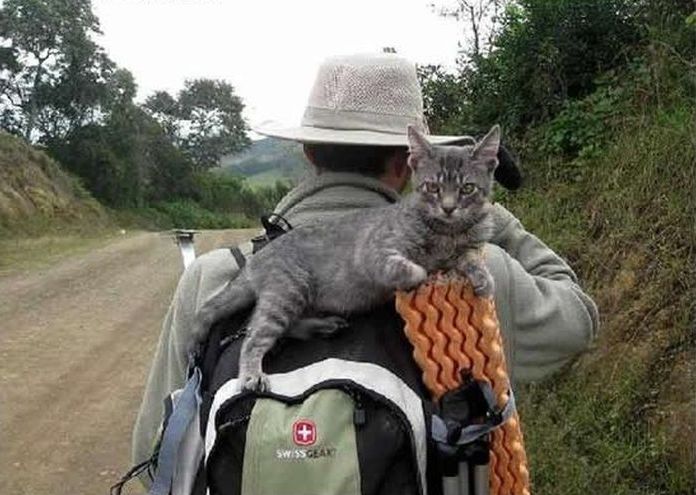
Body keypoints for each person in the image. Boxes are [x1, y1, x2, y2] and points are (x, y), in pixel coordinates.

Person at [131, 53, 599, 480]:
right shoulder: (478, 275)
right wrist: (493, 218)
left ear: (308, 152)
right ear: (407, 164)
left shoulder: (213, 277)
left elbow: (156, 458)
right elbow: (579, 319)